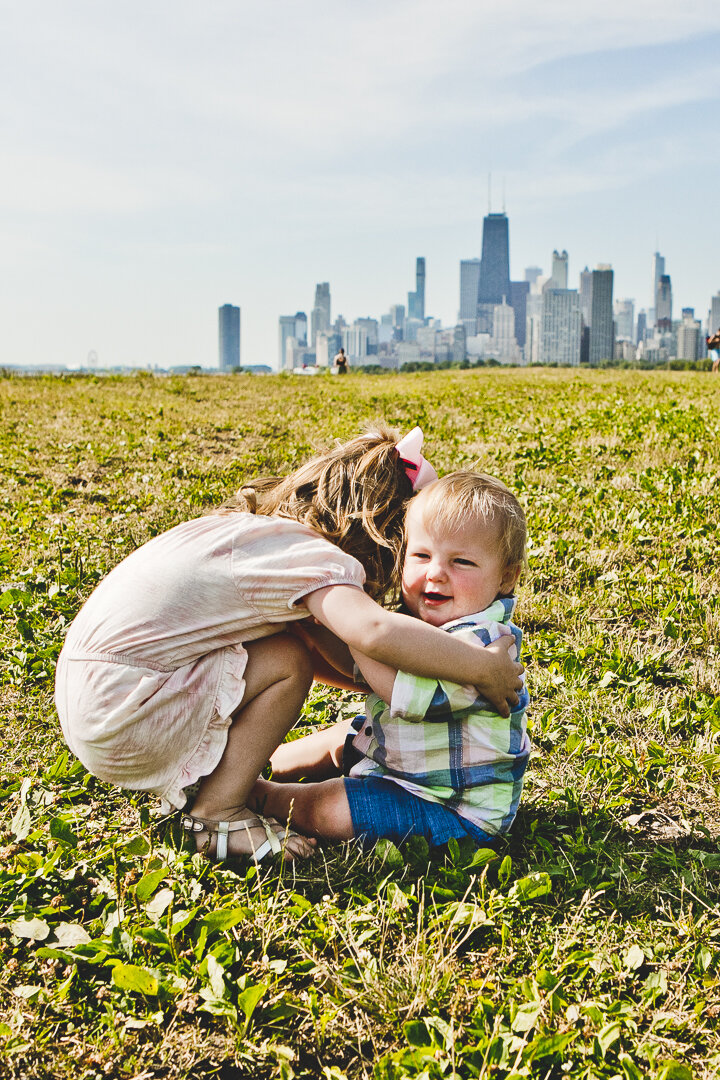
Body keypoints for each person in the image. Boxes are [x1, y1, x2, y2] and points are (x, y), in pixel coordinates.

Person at [54, 428, 524, 862]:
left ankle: (236, 777)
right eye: (414, 553)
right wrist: (481, 668)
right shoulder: (316, 562)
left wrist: (368, 672)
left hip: (96, 703)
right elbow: (372, 633)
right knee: (286, 662)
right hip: (127, 711)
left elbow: (320, 643)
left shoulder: (261, 539)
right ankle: (217, 811)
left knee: (289, 652)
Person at [251, 471, 530, 850]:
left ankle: (260, 797)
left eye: (462, 562)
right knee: (345, 735)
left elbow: (401, 693)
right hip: (399, 761)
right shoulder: (419, 621)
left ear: (506, 577)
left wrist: (357, 630)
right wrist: (317, 629)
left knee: (329, 807)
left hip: (448, 808)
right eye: (421, 555)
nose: (435, 573)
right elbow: (361, 670)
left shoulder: (484, 644)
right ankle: (263, 761)